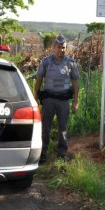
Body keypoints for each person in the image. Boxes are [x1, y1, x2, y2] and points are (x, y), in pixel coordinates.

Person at [34, 34, 79, 164]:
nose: (61, 50)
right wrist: (35, 96)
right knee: (45, 127)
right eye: (59, 47)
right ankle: (42, 153)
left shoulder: (70, 63)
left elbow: (75, 83)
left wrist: (76, 101)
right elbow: (39, 79)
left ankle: (62, 152)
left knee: (63, 127)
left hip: (64, 100)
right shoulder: (46, 61)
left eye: (63, 47)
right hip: (49, 100)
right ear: (54, 48)